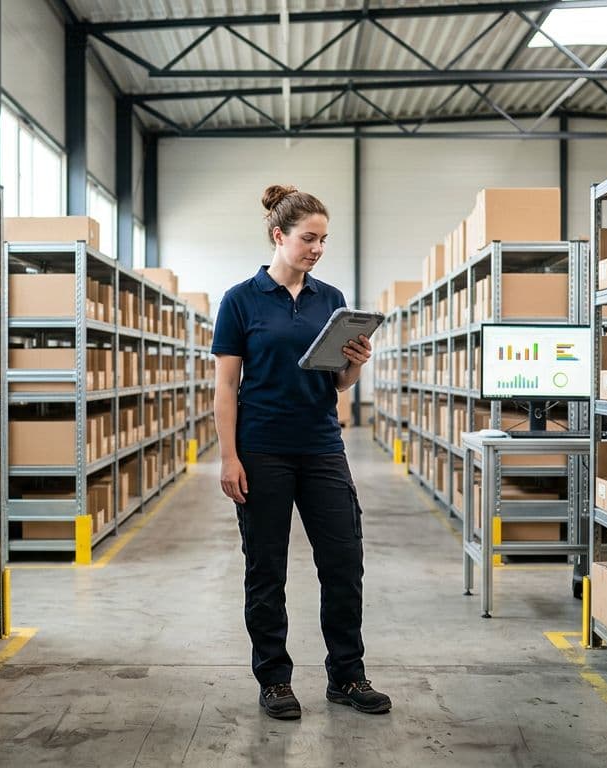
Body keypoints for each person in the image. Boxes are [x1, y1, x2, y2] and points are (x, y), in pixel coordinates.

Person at [210, 184, 391, 721]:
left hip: (320, 447)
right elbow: (225, 387)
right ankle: (274, 680)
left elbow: (337, 383)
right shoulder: (240, 300)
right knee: (266, 568)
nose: (317, 248)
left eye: (324, 240)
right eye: (308, 238)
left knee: (343, 562)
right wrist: (228, 457)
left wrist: (357, 361)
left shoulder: (331, 300)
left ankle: (347, 676)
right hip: (261, 449)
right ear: (278, 235)